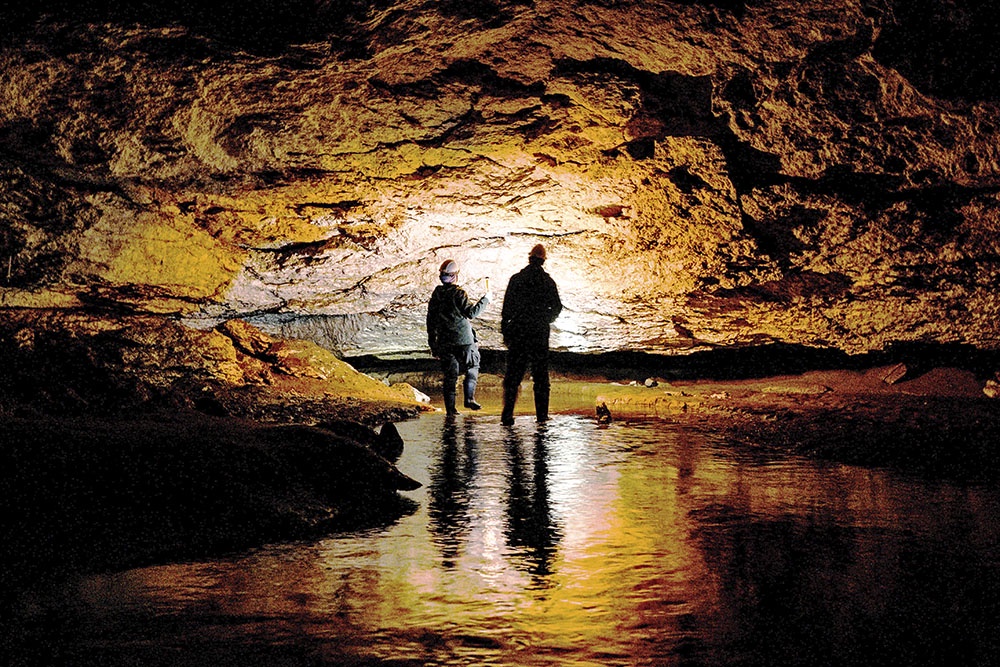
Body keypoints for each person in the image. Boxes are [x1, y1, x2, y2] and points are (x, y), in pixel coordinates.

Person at [500, 244, 562, 425]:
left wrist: (506, 331)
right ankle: (541, 418)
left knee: (513, 377)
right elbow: (557, 307)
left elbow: (506, 309)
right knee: (541, 377)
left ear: (529, 258)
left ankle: (507, 415)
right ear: (543, 260)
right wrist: (545, 319)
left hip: (519, 333)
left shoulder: (516, 279)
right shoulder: (547, 282)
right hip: (538, 334)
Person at [426, 259, 491, 415]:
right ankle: (469, 399)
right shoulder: (458, 293)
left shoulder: (437, 294)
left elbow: (430, 320)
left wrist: (433, 345)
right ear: (455, 276)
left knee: (450, 376)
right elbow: (471, 313)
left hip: (444, 342)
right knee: (472, 367)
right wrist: (486, 299)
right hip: (463, 341)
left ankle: (451, 411)